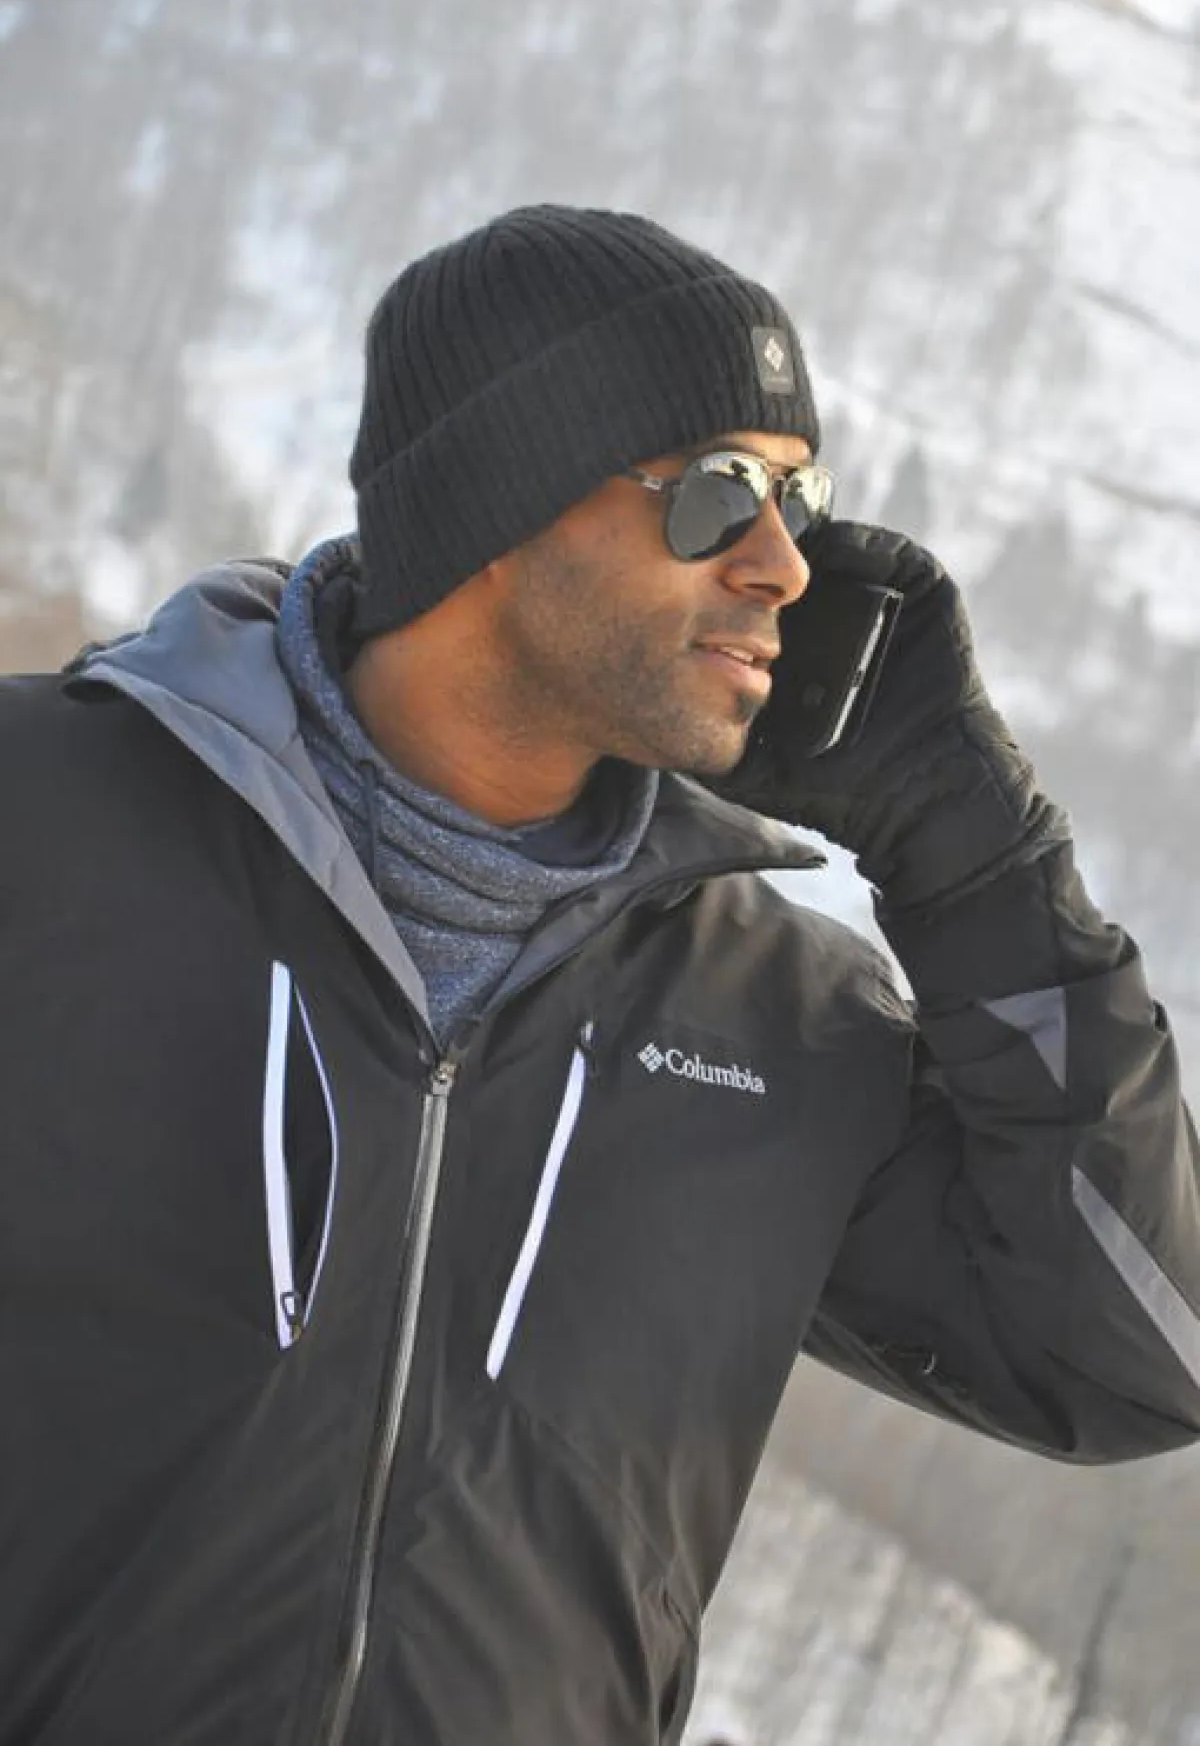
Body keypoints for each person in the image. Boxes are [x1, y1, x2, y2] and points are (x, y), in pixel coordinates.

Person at [1, 204, 1197, 1746]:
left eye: (799, 500)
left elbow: (1140, 1349)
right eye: (719, 489)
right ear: (497, 502)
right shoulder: (46, 819)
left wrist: (974, 854)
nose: (784, 563)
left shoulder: (783, 1028)